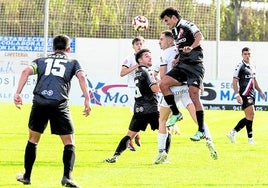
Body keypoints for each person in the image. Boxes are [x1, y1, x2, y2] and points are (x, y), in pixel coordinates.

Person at [13, 34, 91, 187]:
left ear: (53, 48)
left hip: (40, 102)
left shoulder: (41, 60)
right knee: (69, 142)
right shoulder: (73, 62)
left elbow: (25, 72)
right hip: (59, 104)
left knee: (33, 139)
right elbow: (81, 77)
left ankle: (27, 176)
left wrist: (18, 93)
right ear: (68, 49)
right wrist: (87, 99)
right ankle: (67, 177)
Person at [154, 30, 217, 164]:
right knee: (197, 119)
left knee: (162, 121)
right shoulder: (181, 50)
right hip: (186, 89)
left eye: (161, 39)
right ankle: (209, 140)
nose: (159, 41)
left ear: (170, 41)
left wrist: (160, 84)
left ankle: (161, 152)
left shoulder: (165, 53)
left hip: (172, 90)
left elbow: (164, 75)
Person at [159, 7, 209, 142]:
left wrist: (191, 47)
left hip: (194, 66)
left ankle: (201, 131)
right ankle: (176, 113)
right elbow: (181, 48)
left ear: (174, 17)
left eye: (167, 20)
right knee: (163, 83)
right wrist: (177, 59)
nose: (166, 23)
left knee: (194, 97)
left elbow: (199, 37)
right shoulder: (174, 31)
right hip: (182, 65)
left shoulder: (187, 24)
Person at [105, 49, 159, 163]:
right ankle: (163, 155)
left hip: (139, 109)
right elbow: (155, 89)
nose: (150, 58)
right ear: (140, 60)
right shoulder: (147, 71)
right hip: (151, 108)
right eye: (146, 56)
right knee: (165, 130)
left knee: (129, 135)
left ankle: (115, 156)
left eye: (150, 56)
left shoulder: (137, 73)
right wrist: (162, 82)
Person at [227, 47, 266, 144]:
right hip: (244, 94)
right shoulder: (240, 66)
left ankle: (233, 132)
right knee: (251, 114)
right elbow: (234, 81)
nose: (247, 56)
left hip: (252, 94)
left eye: (249, 54)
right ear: (242, 55)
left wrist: (260, 91)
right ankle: (250, 139)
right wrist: (237, 95)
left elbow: (254, 80)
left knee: (250, 116)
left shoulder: (252, 66)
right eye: (245, 54)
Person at [120, 36, 144, 151]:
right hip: (133, 89)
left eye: (141, 44)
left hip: (145, 90)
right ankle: (130, 139)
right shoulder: (129, 58)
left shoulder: (146, 57)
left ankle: (135, 135)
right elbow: (122, 72)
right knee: (138, 114)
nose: (139, 46)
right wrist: (136, 66)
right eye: (137, 44)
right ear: (133, 46)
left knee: (143, 114)